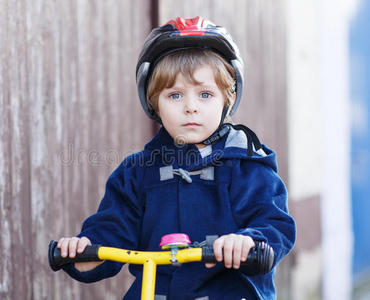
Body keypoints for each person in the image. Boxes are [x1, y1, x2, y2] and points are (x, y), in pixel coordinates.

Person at [56, 17, 296, 299]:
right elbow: (112, 229)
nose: (191, 107)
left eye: (205, 94)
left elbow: (274, 224)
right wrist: (85, 250)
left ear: (227, 100)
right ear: (153, 101)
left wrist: (247, 242)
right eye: (175, 96)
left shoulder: (247, 166)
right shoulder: (136, 172)